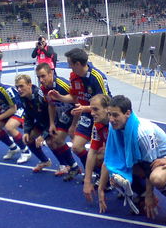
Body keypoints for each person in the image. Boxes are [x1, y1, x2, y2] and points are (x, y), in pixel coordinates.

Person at [103, 95, 166, 223]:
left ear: (128, 113)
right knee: (118, 173)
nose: (111, 119)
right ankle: (141, 195)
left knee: (156, 178)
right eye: (109, 115)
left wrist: (149, 195)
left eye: (115, 115)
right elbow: (111, 158)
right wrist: (105, 183)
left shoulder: (142, 133)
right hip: (148, 159)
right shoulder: (114, 127)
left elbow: (148, 167)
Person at [47, 48, 111, 181]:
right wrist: (60, 97)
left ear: (77, 64)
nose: (69, 67)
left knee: (101, 153)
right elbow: (74, 97)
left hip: (102, 117)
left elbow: (106, 105)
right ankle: (96, 172)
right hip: (87, 115)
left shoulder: (97, 77)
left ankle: (108, 179)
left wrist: (85, 108)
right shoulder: (74, 77)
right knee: (76, 147)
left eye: (70, 64)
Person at [36, 63, 78, 178]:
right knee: (55, 139)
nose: (41, 80)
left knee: (78, 146)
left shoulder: (63, 85)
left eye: (43, 76)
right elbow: (51, 105)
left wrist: (73, 126)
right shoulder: (44, 88)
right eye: (38, 77)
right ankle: (73, 166)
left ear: (51, 73)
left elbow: (79, 104)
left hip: (79, 113)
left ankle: (93, 172)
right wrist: (52, 124)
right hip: (67, 113)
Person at [0, 72, 31, 163]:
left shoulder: (5, 90)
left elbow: (13, 109)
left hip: (20, 108)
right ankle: (13, 148)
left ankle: (26, 151)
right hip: (9, 110)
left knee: (9, 127)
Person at [14, 74, 54, 172]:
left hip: (54, 121)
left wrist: (43, 136)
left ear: (30, 85)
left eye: (21, 86)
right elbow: (28, 116)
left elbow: (53, 118)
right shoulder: (22, 97)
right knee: (28, 139)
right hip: (42, 122)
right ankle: (44, 161)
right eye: (17, 87)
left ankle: (69, 165)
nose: (19, 89)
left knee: (52, 141)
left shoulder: (40, 96)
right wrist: (26, 131)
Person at [83, 94, 111, 208]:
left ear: (107, 109)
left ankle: (142, 191)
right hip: (114, 154)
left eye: (96, 109)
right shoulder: (97, 124)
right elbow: (92, 151)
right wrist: (87, 181)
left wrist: (100, 190)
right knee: (98, 156)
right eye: (91, 109)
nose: (92, 113)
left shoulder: (117, 124)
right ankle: (107, 181)